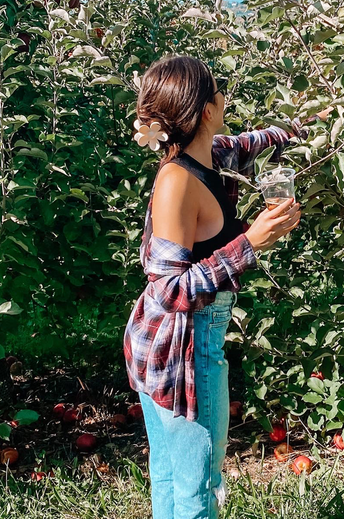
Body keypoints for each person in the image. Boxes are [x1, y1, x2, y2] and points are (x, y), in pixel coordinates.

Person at [123, 55, 330, 519]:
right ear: (205, 111)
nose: (224, 96)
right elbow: (168, 290)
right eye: (217, 90)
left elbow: (264, 139)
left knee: (175, 477)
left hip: (179, 340)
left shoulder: (213, 154)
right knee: (198, 485)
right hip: (180, 349)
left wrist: (323, 117)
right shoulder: (176, 181)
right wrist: (250, 242)